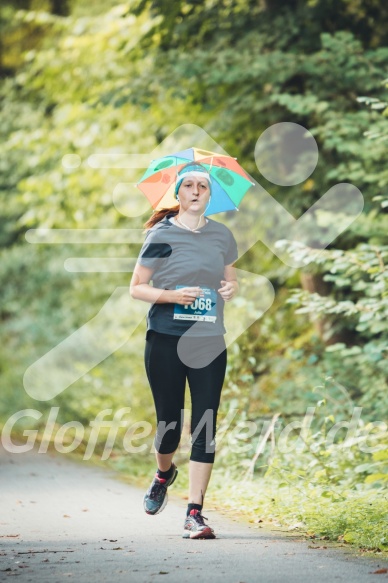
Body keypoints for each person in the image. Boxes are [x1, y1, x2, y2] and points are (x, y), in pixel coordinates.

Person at [130, 161, 238, 539]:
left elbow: (229, 278)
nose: (195, 191)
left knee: (205, 425)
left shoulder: (222, 235)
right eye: (188, 185)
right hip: (165, 338)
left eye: (202, 187)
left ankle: (195, 512)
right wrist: (172, 296)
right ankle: (164, 473)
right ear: (177, 194)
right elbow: (137, 287)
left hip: (208, 339)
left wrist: (229, 289)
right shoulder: (160, 234)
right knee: (169, 427)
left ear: (210, 195)